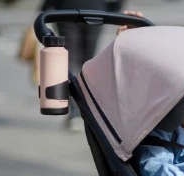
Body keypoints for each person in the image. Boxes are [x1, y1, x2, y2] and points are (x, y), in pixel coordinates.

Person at [40, 0, 125, 131]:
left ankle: (75, 112)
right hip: (95, 11)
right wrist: (113, 8)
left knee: (69, 61)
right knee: (88, 63)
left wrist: (47, 6)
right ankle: (87, 111)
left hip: (67, 10)